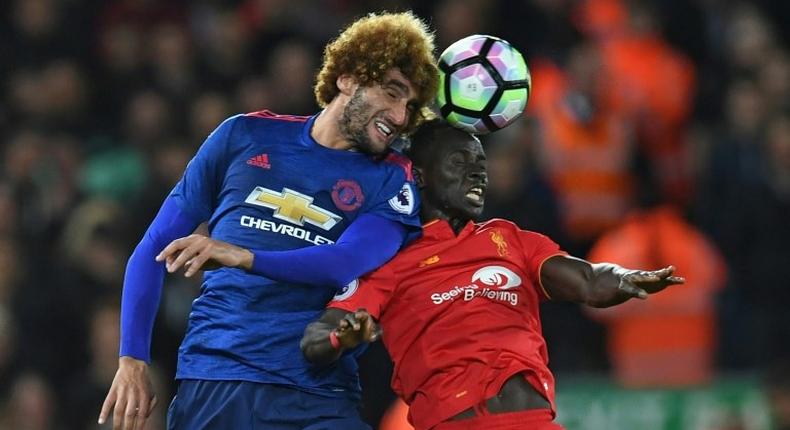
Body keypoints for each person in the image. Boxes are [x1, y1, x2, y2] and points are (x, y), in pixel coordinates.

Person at [98, 12, 439, 430]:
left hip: (316, 394)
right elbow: (152, 249)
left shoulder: (393, 178)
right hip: (216, 379)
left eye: (410, 105)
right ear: (348, 77)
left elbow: (345, 261)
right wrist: (132, 358)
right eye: (392, 92)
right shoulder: (243, 135)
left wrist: (243, 256)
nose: (401, 116)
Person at [300, 120, 684, 430]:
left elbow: (587, 280)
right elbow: (316, 340)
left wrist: (622, 278)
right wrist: (340, 335)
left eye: (480, 167)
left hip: (534, 422)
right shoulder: (389, 259)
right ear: (418, 176)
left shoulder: (510, 238)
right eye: (459, 164)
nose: (476, 176)